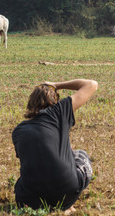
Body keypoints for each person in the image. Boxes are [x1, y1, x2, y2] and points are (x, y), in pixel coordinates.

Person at [12, 79, 98, 212]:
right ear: (54, 102)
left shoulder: (18, 131)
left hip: (30, 199)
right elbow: (92, 84)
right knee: (81, 154)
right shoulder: (58, 112)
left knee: (23, 178)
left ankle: (47, 206)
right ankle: (66, 205)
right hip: (66, 191)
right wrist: (57, 85)